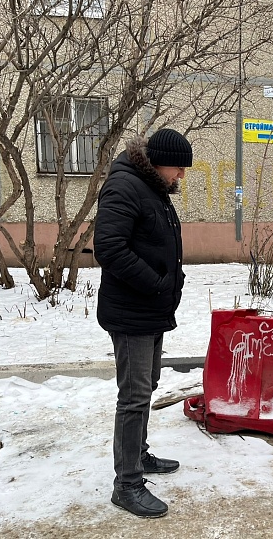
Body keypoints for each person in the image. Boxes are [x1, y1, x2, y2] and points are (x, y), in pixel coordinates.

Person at [94, 128, 192, 517]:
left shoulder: (150, 188)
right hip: (132, 311)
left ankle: (140, 455)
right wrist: (155, 284)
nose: (180, 176)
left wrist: (169, 285)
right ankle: (127, 484)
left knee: (146, 386)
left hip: (150, 310)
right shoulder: (125, 186)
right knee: (133, 397)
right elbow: (110, 248)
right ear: (157, 161)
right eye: (178, 168)